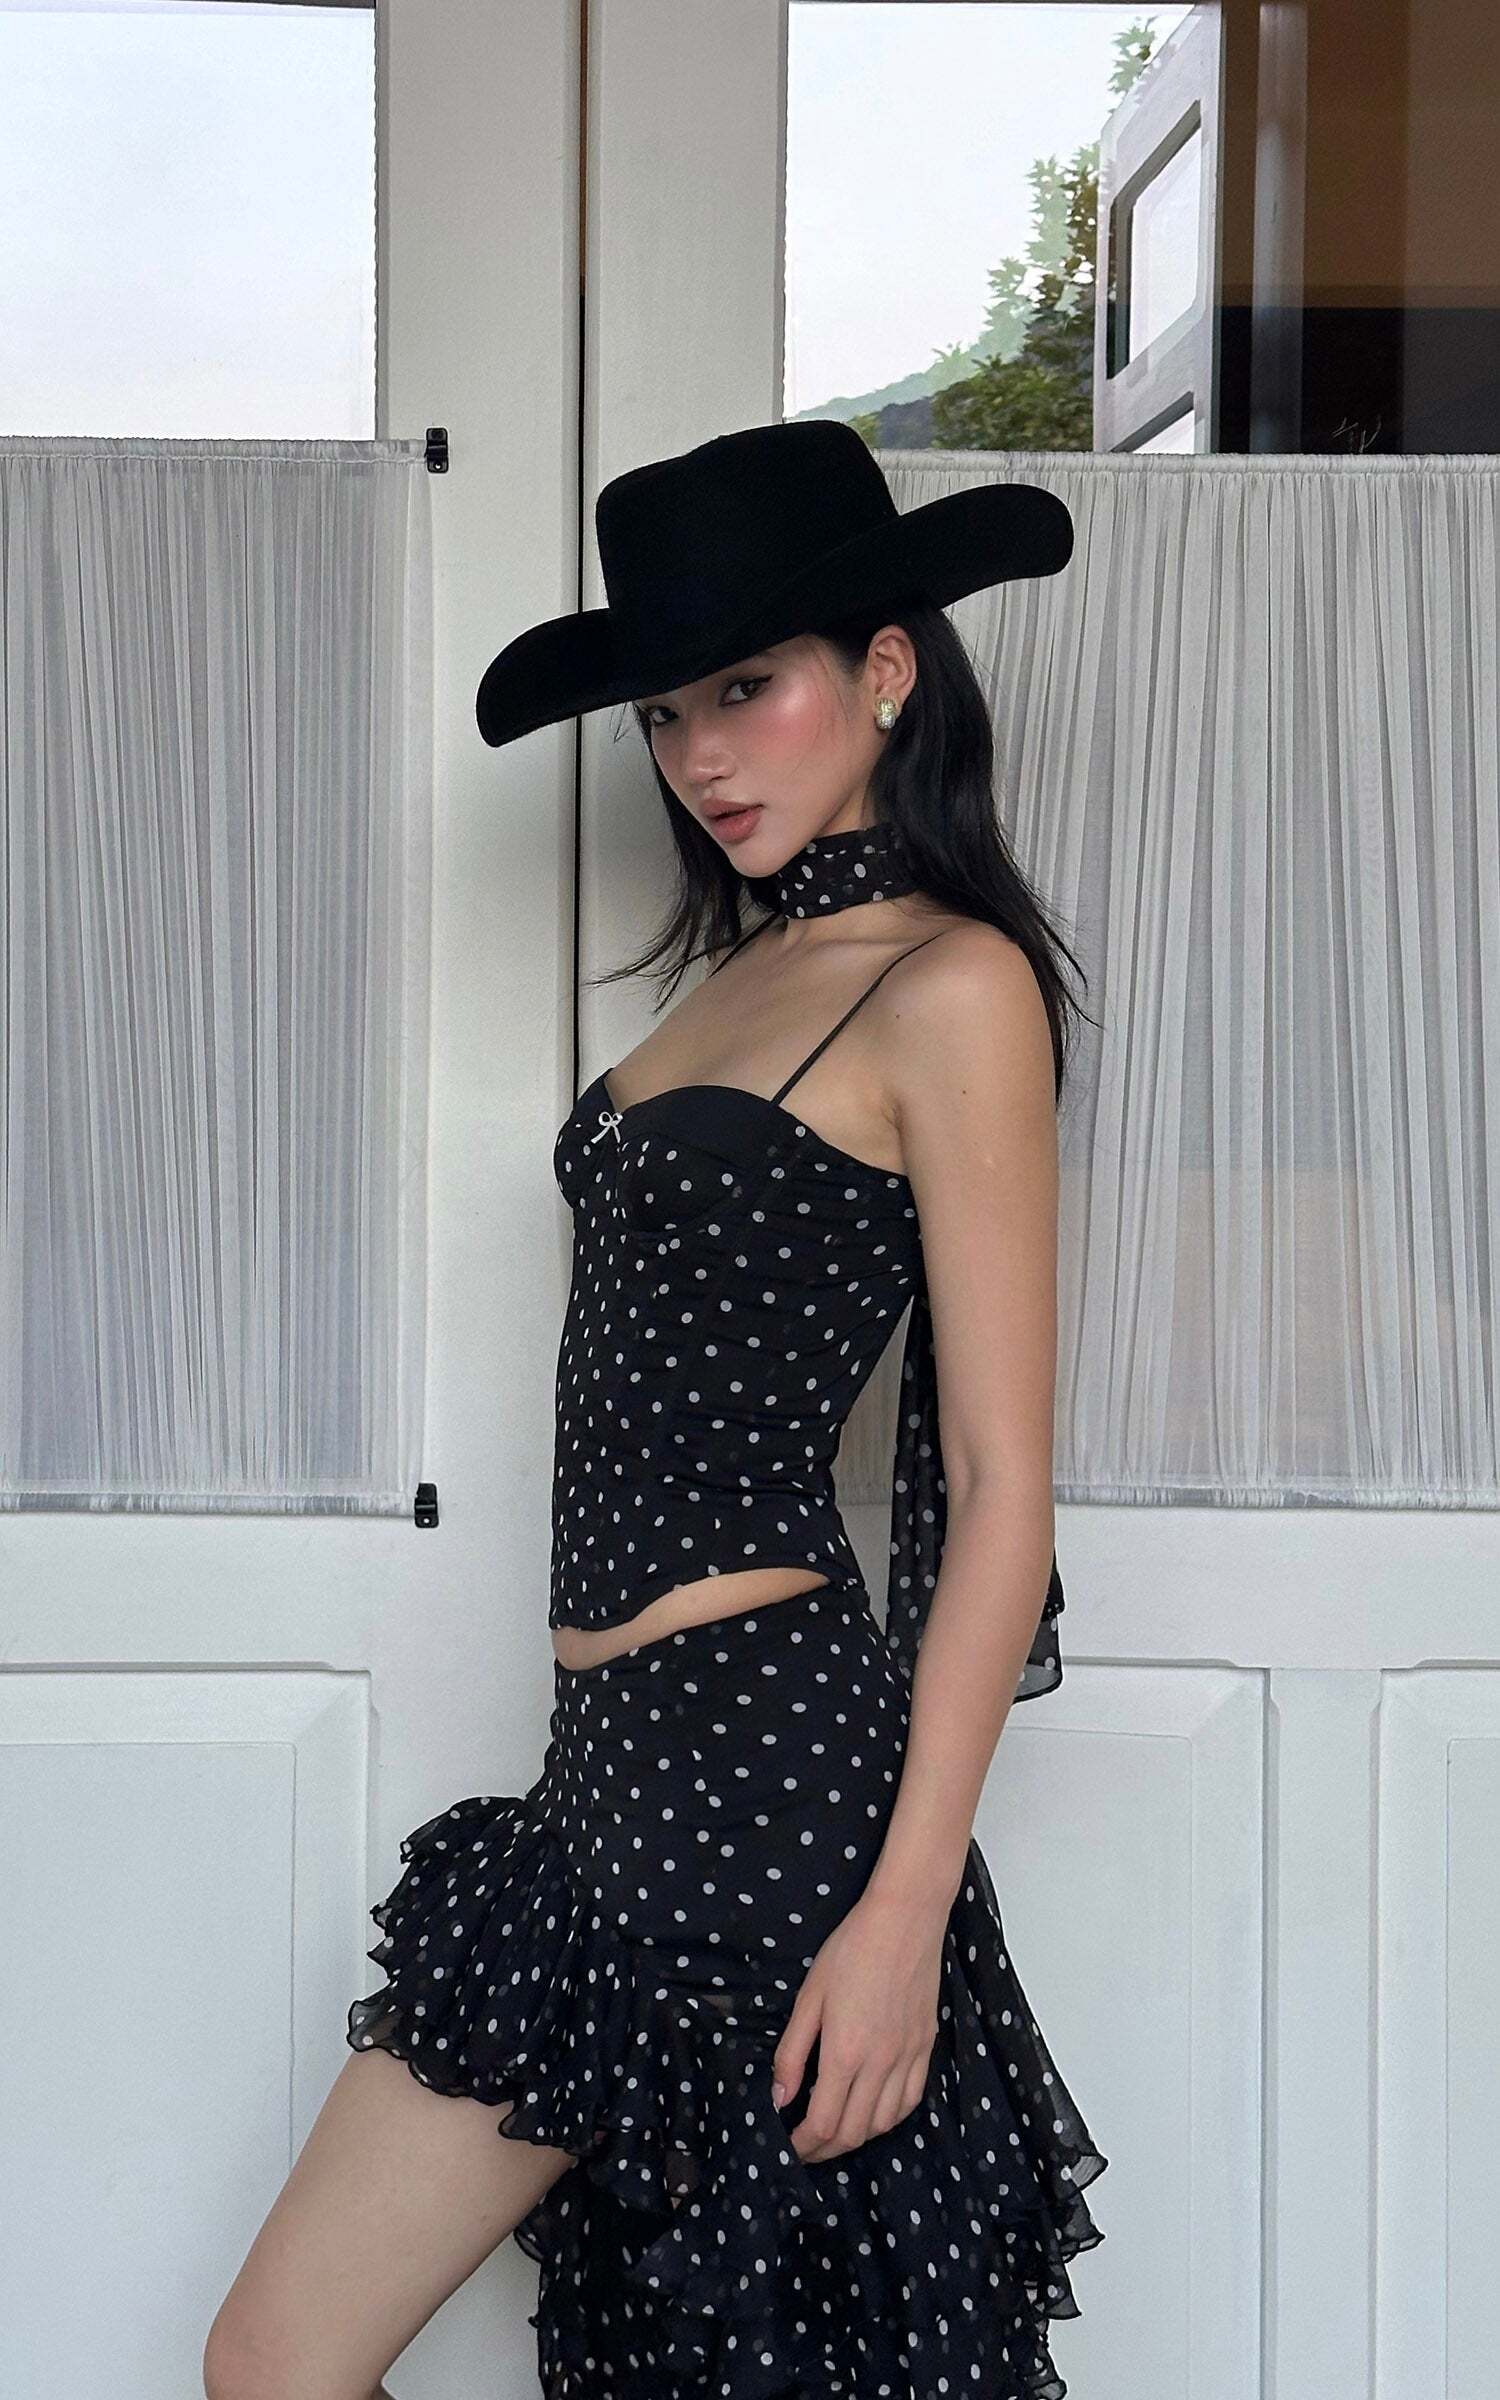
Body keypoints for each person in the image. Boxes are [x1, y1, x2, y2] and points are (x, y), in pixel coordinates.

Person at [204, 420, 1108, 2400]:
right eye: (667, 713)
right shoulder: (734, 982)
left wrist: (901, 1917)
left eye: (747, 689)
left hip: (776, 1797)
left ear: (885, 670)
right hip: (598, 1789)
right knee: (276, 2358)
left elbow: (998, 1483)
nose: (702, 755)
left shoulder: (951, 986)